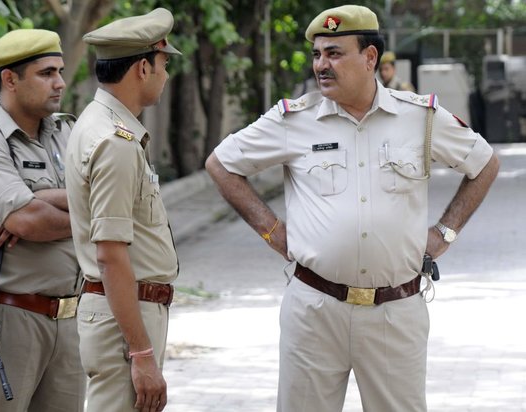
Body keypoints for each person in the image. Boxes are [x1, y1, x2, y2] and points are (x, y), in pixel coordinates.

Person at [205, 5, 499, 412]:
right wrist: (273, 231)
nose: (321, 64)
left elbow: (484, 163)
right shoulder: (294, 120)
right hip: (314, 310)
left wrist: (444, 233)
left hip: (396, 314)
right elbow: (221, 164)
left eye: (334, 53)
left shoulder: (419, 117)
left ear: (370, 57)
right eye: (317, 54)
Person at [0, 29, 85, 411]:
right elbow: (30, 221)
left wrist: (44, 201)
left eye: (59, 71)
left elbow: (117, 195)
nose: (60, 82)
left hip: (70, 318)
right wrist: (92, 211)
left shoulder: (67, 132)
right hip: (10, 320)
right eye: (46, 73)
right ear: (10, 79)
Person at [64, 8, 181, 412]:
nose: (166, 75)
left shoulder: (99, 124)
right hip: (123, 319)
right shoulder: (114, 141)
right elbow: (111, 255)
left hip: (123, 313)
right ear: (143, 69)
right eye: (164, 64)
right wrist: (141, 352)